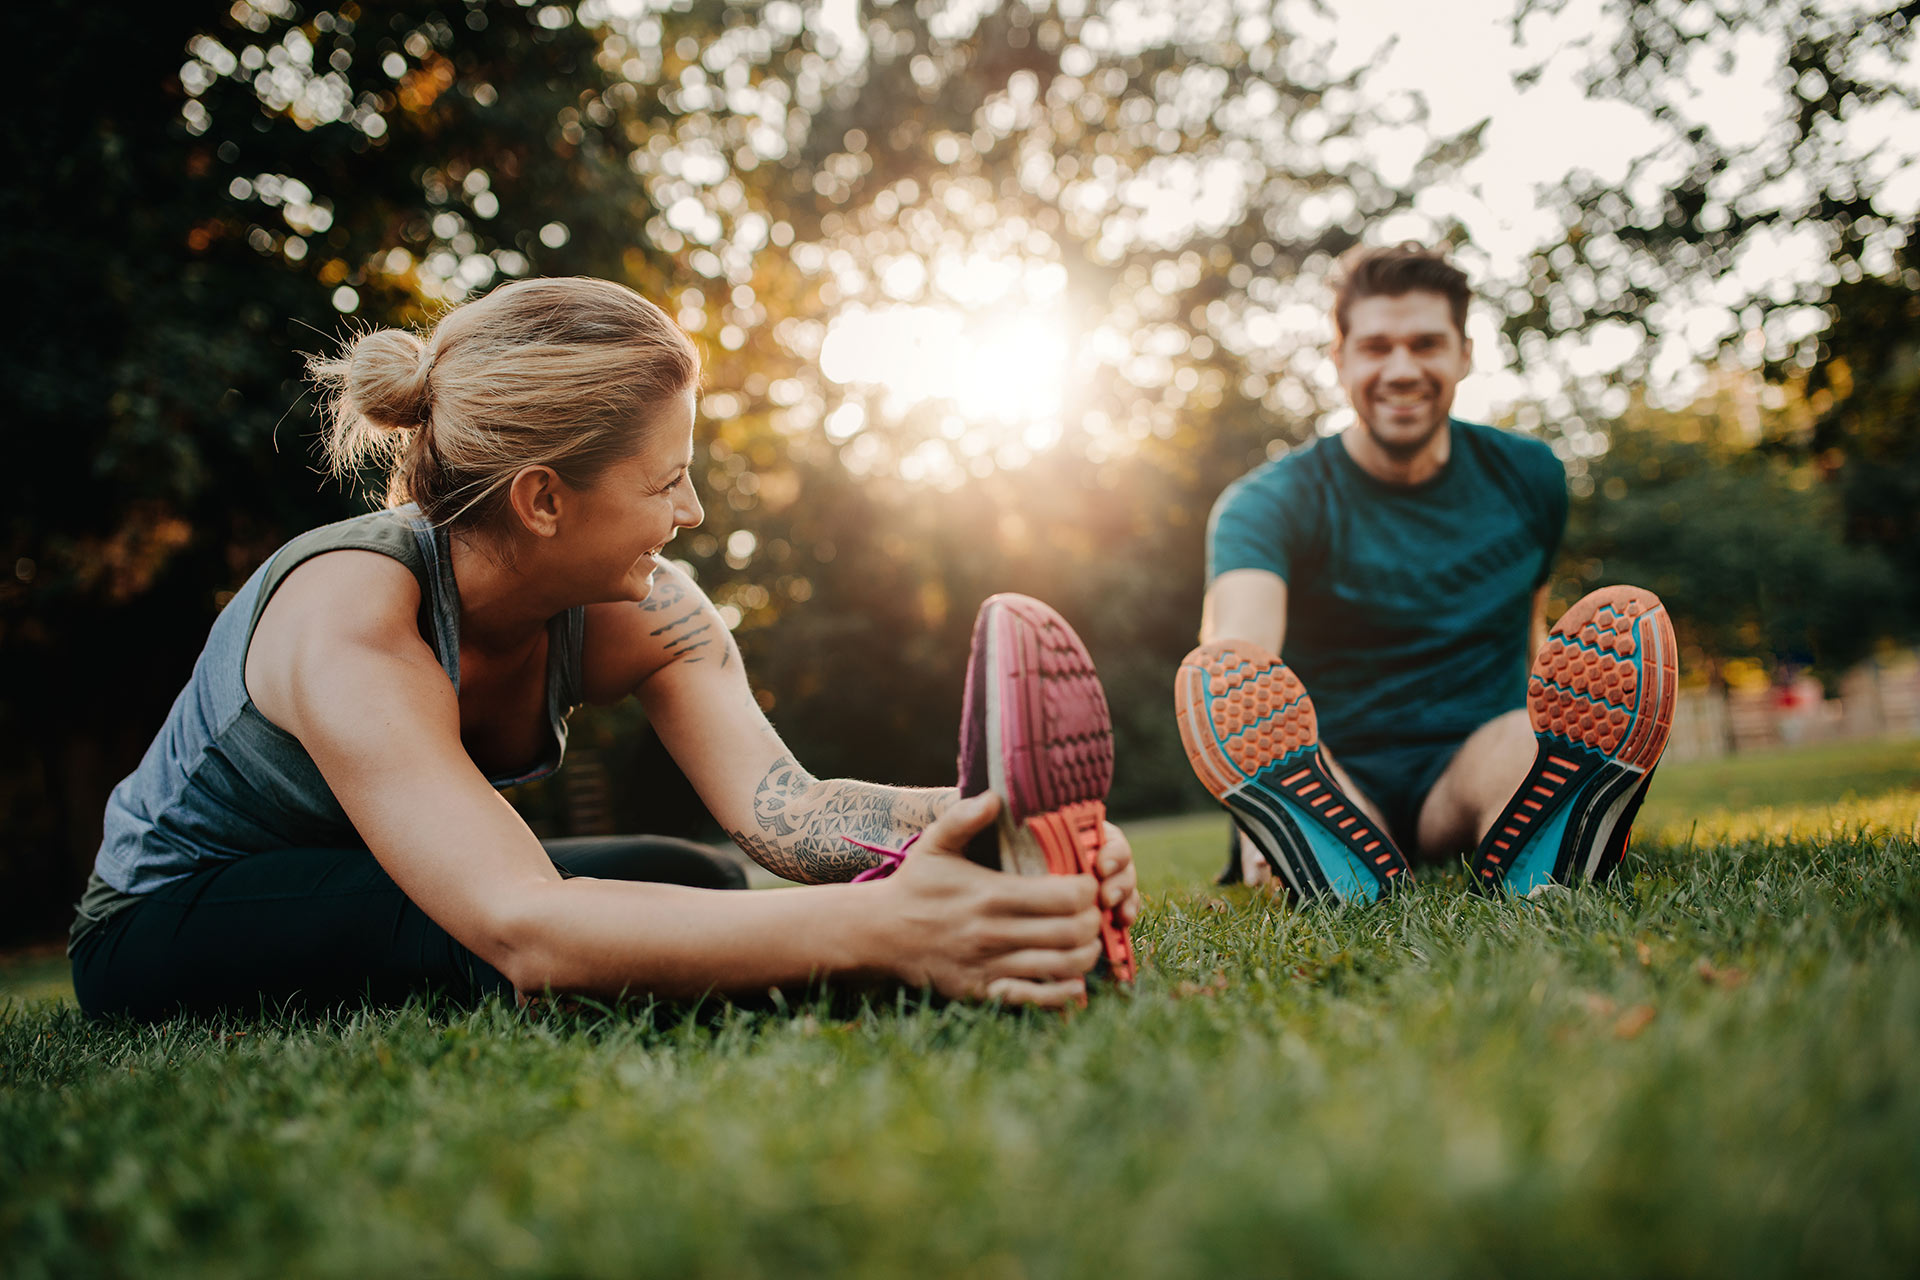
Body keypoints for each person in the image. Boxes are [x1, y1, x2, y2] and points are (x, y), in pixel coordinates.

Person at [70, 276, 1139, 1021]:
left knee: (697, 881)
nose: (695, 507)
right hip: (173, 913)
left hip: (370, 877)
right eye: (665, 479)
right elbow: (528, 924)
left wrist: (994, 826)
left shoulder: (647, 608)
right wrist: (889, 932)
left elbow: (794, 814)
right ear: (543, 497)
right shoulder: (353, 610)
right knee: (489, 941)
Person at [1176, 243, 1676, 900]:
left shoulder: (1530, 477)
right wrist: (1243, 791)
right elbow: (1238, 659)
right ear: (1341, 360)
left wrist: (1561, 715)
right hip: (1335, 765)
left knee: (1525, 748)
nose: (1402, 368)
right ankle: (1295, 833)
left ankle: (1556, 830)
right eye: (1378, 347)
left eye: (1426, 344)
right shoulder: (1268, 502)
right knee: (1310, 777)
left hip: (1472, 760)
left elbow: (1530, 625)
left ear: (1465, 353)